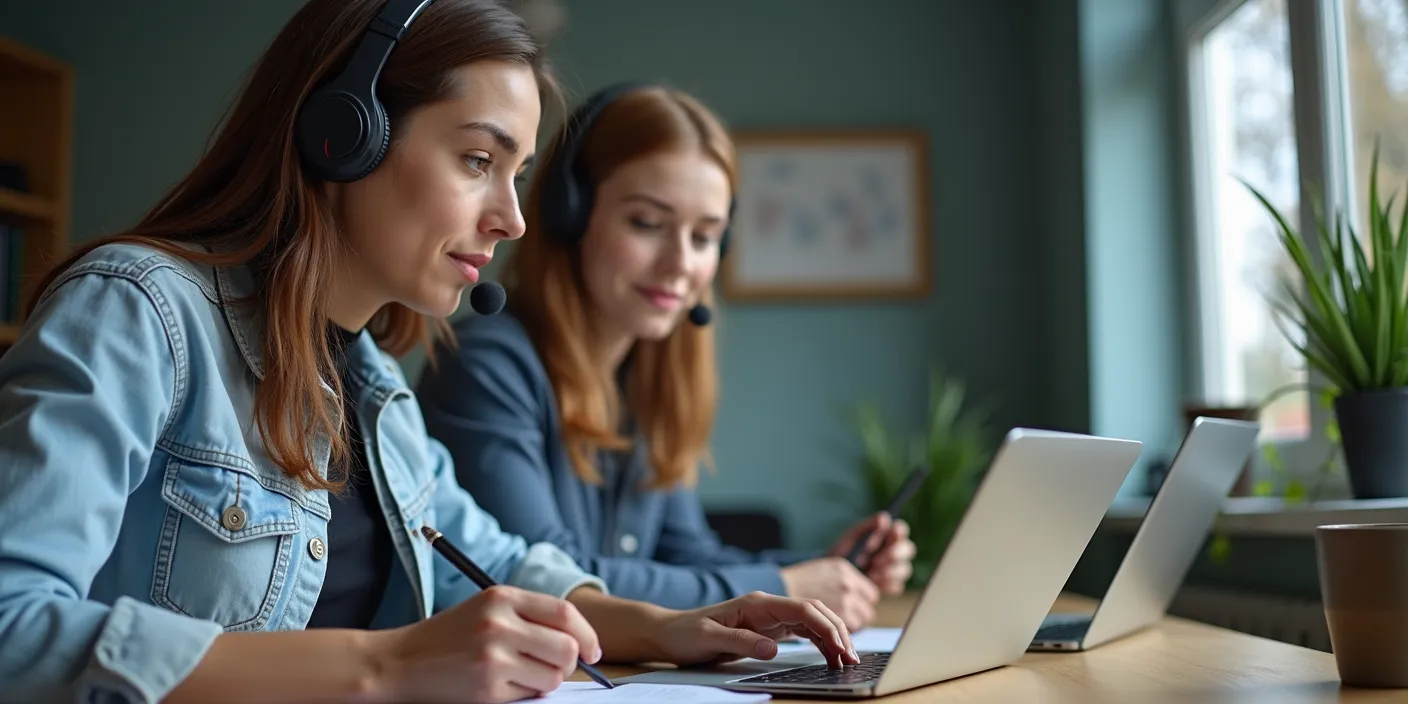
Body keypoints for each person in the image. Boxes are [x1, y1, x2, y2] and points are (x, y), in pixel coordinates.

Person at [0, 2, 861, 703]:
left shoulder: (372, 385)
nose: (511, 219)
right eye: (477, 159)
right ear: (343, 135)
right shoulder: (136, 312)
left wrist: (671, 625)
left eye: (517, 174)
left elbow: (494, 559)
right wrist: (390, 666)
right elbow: (11, 625)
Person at [415, 83, 917, 632]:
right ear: (571, 216)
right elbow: (548, 577)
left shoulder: (644, 380)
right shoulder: (486, 367)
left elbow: (686, 555)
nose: (681, 264)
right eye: (648, 224)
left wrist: (825, 572)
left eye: (705, 237)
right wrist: (785, 587)